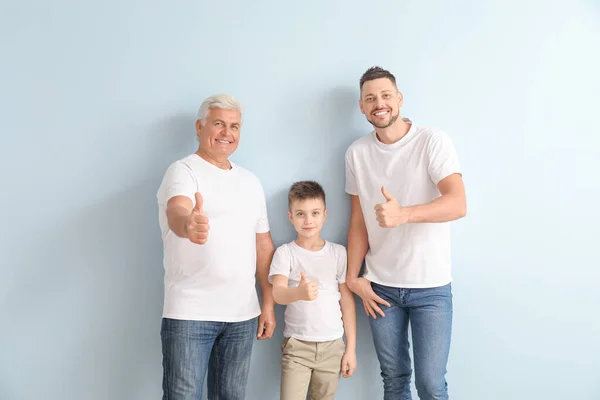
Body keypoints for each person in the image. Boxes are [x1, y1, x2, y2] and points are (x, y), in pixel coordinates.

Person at [345, 66, 467, 400]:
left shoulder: (432, 141)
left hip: (430, 288)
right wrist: (352, 277)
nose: (378, 103)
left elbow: (457, 203)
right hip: (381, 287)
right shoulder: (357, 153)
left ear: (399, 99)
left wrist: (404, 215)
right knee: (395, 380)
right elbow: (358, 222)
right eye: (370, 98)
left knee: (430, 384)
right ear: (361, 106)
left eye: (385, 95)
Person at [156, 94, 276, 400]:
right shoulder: (183, 171)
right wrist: (188, 225)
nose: (227, 133)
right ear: (199, 127)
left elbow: (263, 246)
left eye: (234, 126)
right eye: (219, 124)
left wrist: (268, 304)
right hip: (190, 313)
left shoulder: (250, 182)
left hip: (242, 315)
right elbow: (176, 211)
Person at [268, 181, 357, 400]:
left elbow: (346, 301)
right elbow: (277, 293)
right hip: (297, 346)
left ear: (324, 214)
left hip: (333, 346)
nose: (308, 220)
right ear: (290, 216)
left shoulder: (338, 253)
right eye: (300, 214)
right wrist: (299, 293)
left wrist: (350, 349)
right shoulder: (285, 253)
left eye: (314, 213)